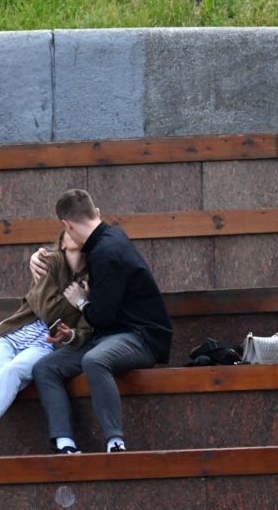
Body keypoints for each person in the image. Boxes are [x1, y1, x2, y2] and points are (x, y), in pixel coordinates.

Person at [30, 188, 172, 454]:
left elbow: (101, 316)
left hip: (142, 337)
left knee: (95, 360)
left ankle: (115, 442)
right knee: (45, 368)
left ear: (66, 225)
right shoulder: (107, 239)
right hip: (110, 336)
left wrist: (81, 301)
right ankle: (65, 443)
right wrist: (37, 257)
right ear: (96, 212)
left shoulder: (106, 251)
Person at [0, 227, 91, 458]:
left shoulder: (92, 280)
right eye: (68, 231)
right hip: (11, 335)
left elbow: (85, 329)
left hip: (43, 345)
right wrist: (73, 301)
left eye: (78, 230)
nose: (74, 232)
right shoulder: (47, 262)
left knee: (12, 371)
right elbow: (45, 308)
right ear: (61, 243)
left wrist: (80, 308)